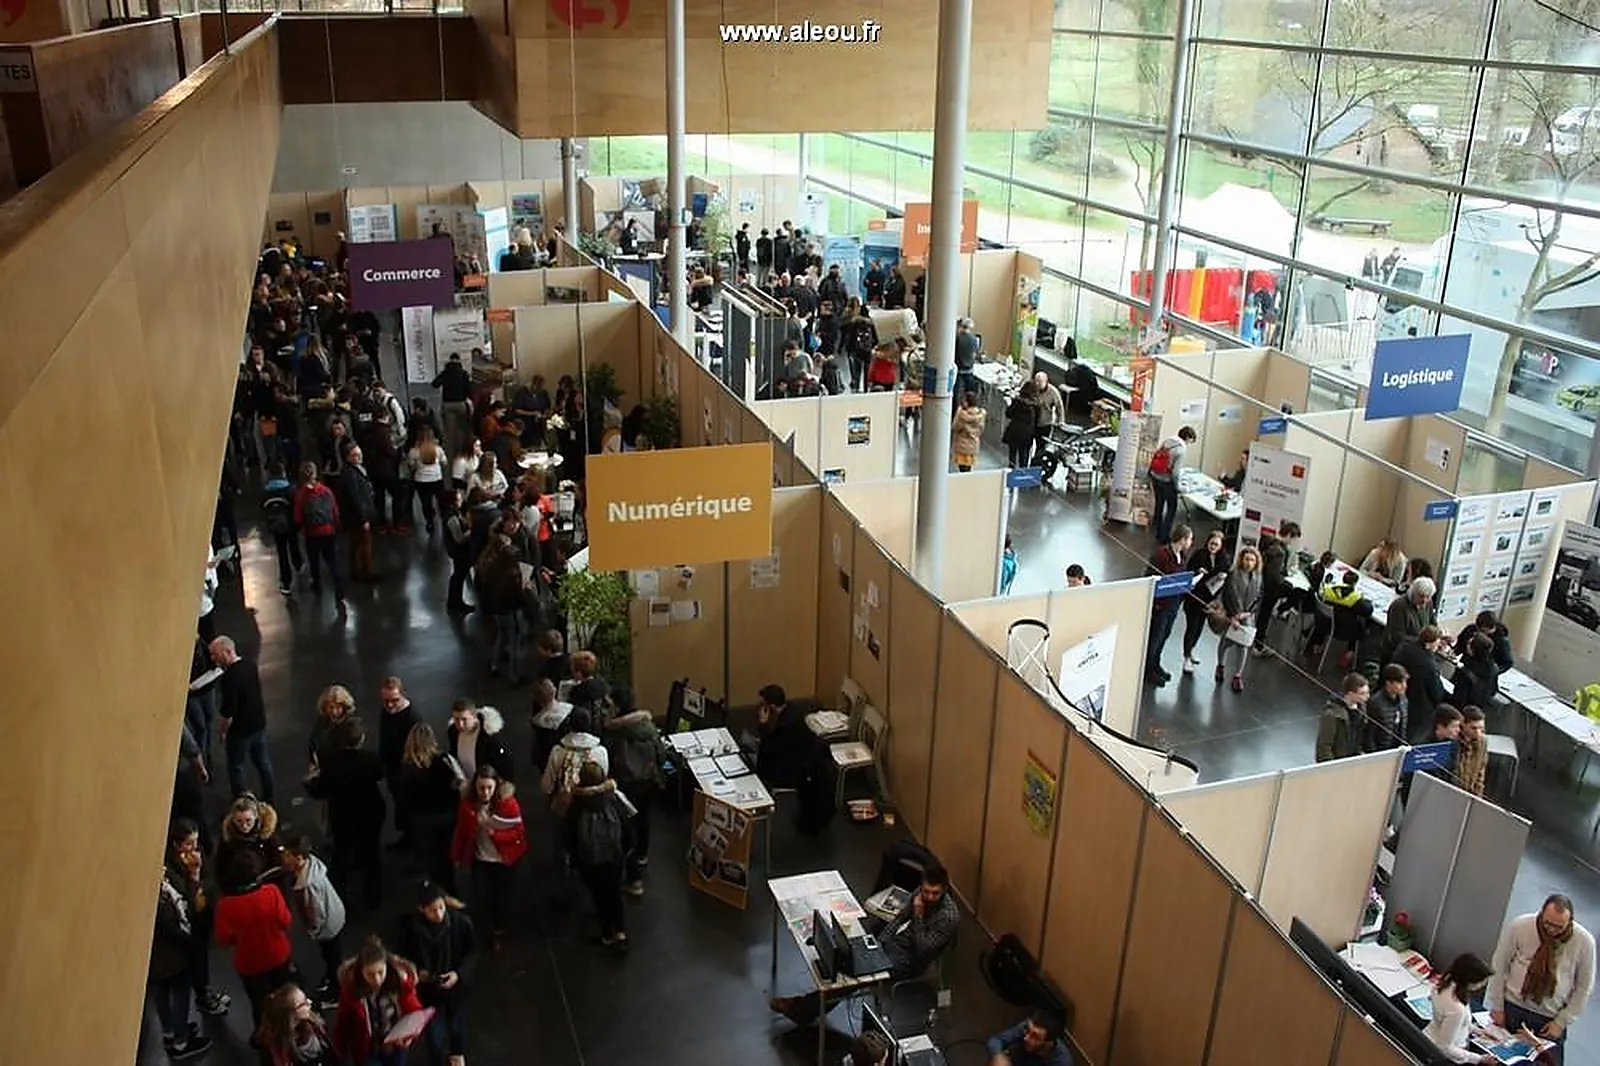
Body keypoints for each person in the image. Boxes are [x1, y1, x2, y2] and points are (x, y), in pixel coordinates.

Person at [770, 864, 958, 1027]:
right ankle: (806, 1006)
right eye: (926, 891)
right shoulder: (920, 895)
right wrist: (878, 943)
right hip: (896, 944)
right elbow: (899, 918)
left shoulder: (948, 917)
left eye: (935, 893)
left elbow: (923, 949)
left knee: (856, 974)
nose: (929, 897)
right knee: (853, 955)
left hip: (912, 961)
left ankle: (802, 1008)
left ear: (945, 889)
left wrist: (917, 916)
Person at [1488, 894, 1596, 1057]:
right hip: (1512, 1007)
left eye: (1559, 927)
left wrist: (1561, 1022)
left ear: (1570, 921)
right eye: (1547, 923)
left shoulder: (1584, 942)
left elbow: (1584, 987)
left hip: (1549, 1018)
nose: (1551, 930)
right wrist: (1497, 1006)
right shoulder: (1520, 926)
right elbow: (1499, 965)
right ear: (1541, 913)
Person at [150, 825, 218, 1060]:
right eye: (189, 843)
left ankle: (170, 1031)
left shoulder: (161, 875)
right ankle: (180, 1041)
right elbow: (185, 908)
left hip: (156, 959)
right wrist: (194, 875)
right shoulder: (162, 889)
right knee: (179, 994)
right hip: (172, 956)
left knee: (160, 993)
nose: (194, 848)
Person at [214, 849, 297, 1029]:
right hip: (278, 955)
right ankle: (291, 1029)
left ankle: (265, 1036)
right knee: (285, 996)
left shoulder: (225, 906)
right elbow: (286, 921)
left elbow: (224, 939)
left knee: (259, 1003)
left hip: (250, 964)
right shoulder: (272, 892)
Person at [396, 881, 476, 1065]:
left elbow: (471, 952)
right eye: (432, 910)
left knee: (456, 1023)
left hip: (454, 987)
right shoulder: (410, 930)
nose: (439, 914)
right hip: (428, 991)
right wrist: (416, 972)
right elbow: (403, 958)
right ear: (421, 909)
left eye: (441, 907)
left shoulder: (460, 923)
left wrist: (458, 974)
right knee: (434, 1033)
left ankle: (457, 1053)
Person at [561, 760, 637, 952]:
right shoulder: (613, 798)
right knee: (615, 894)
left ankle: (606, 935)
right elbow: (628, 827)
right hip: (614, 856)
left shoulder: (576, 805)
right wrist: (625, 850)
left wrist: (574, 859)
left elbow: (568, 835)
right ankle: (621, 932)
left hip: (589, 861)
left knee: (599, 896)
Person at [450, 765, 528, 945]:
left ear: (496, 787)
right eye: (481, 788)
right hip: (481, 859)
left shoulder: (508, 804)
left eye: (489, 788)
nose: (485, 792)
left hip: (504, 860)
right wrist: (456, 856)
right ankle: (488, 927)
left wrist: (494, 833)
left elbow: (518, 833)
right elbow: (461, 831)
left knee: (501, 896)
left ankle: (499, 930)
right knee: (481, 895)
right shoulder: (468, 805)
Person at [331, 937, 427, 1066]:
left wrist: (409, 1036)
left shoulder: (399, 984)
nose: (377, 979)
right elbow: (343, 1024)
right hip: (368, 1049)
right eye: (370, 974)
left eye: (380, 972)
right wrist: (338, 1053)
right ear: (361, 972)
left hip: (396, 1045)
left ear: (387, 967)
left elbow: (413, 1010)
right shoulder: (351, 992)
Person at [394, 722, 465, 894]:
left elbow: (403, 798)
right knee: (448, 857)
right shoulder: (442, 761)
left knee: (432, 861)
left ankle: (439, 893)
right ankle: (452, 890)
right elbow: (456, 786)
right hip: (446, 816)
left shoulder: (407, 768)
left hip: (422, 820)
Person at [753, 683, 833, 835]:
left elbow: (770, 750)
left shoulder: (786, 725)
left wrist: (763, 725)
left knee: (761, 768)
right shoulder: (792, 711)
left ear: (771, 706)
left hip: (796, 771)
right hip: (805, 762)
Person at [281, 837, 348, 1006]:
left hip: (328, 927)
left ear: (299, 858)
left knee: (333, 957)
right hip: (335, 915)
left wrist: (314, 932)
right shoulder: (313, 865)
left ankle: (337, 993)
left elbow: (316, 913)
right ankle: (332, 978)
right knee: (331, 955)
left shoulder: (308, 886)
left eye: (288, 855)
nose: (284, 858)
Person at [211, 635, 277, 804]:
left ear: (227, 651)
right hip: (258, 724)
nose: (213, 658)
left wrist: (222, 732)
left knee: (236, 766)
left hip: (240, 731)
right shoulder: (249, 665)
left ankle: (241, 802)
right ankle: (269, 797)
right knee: (263, 762)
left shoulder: (229, 678)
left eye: (215, 654)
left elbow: (229, 712)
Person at [1424, 953, 1498, 1064]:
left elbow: (1454, 1023)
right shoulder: (1457, 1009)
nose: (1483, 984)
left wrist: (1478, 1030)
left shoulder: (1442, 985)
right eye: (1482, 981)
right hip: (1450, 1052)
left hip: (1433, 1033)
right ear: (1470, 980)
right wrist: (1479, 1059)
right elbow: (1445, 1047)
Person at [1145, 524, 1193, 688]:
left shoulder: (1182, 555)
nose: (1191, 542)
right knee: (1155, 637)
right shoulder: (1161, 554)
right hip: (1161, 604)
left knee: (1165, 635)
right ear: (1183, 539)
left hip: (1173, 604)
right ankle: (1148, 669)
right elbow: (1150, 577)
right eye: (1190, 539)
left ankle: (1156, 664)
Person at [293, 461, 346, 607]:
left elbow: (297, 518)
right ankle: (339, 588)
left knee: (314, 561)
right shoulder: (326, 491)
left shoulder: (301, 495)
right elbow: (335, 511)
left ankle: (317, 585)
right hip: (329, 531)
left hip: (312, 534)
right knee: (332, 561)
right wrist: (336, 526)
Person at [1180, 528, 1230, 674]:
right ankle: (1186, 656)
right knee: (1192, 627)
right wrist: (1198, 572)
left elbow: (1226, 577)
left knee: (1199, 628)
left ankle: (1191, 651)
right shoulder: (1198, 555)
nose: (1213, 547)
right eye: (1211, 543)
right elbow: (1188, 572)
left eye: (1216, 544)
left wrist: (1222, 577)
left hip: (1209, 602)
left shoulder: (1224, 559)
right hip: (1195, 598)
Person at [1215, 545, 1262, 691]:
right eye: (1247, 559)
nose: (1249, 563)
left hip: (1247, 616)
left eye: (1252, 560)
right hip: (1233, 615)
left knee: (1244, 646)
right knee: (1226, 641)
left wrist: (1248, 613)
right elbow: (1228, 595)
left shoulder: (1258, 577)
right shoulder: (1233, 575)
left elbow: (1259, 597)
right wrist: (1234, 615)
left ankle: (1237, 675)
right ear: (1242, 559)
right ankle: (1220, 665)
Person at [1392, 625, 1450, 744]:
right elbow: (1435, 692)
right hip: (1419, 704)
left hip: (1399, 694)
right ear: (1429, 644)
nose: (1438, 645)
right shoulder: (1428, 665)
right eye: (1437, 642)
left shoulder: (1405, 646)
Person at [1254, 522, 1303, 655]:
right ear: (1288, 535)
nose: (1293, 543)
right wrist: (1287, 583)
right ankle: (1258, 645)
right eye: (1293, 539)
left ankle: (1258, 643)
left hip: (1263, 585)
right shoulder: (1279, 552)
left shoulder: (1269, 543)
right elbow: (1273, 575)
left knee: (1263, 615)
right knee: (1265, 615)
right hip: (1271, 589)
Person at [257, 983, 335, 1065]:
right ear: (290, 1014)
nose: (309, 1002)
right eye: (303, 1003)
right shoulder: (276, 1050)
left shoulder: (314, 1022)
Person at [1147, 425, 1197, 544]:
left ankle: (1157, 531)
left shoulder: (1168, 441)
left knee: (1159, 504)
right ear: (1188, 437)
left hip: (1155, 476)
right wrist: (1178, 487)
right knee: (1171, 508)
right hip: (1166, 481)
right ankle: (1164, 537)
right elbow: (1175, 473)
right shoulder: (1181, 449)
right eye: (1191, 440)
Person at [262, 461, 304, 597]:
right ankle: (298, 564)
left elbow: (263, 509)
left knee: (282, 553)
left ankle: (286, 582)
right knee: (293, 545)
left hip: (276, 527)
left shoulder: (266, 491)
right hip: (291, 525)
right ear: (283, 473)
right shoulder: (290, 489)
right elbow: (297, 506)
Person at [447, 699, 515, 783]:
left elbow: (504, 762)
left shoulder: (489, 737)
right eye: (456, 719)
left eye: (464, 719)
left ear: (474, 717)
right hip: (467, 783)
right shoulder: (453, 732)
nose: (460, 724)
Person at [985, 1010, 1075, 1066]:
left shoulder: (1062, 1063)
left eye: (1035, 1036)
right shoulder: (1028, 1028)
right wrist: (998, 1056)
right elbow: (995, 1040)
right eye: (1028, 1030)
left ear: (1049, 1042)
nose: (1026, 1038)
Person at [1316, 673, 1370, 762]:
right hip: (1338, 763)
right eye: (1362, 693)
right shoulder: (1332, 714)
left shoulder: (1361, 710)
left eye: (1368, 692)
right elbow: (1324, 746)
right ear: (1350, 694)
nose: (1367, 697)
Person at [1384, 576, 1438, 660]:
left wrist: (1438, 636)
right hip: (1398, 654)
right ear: (1413, 592)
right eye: (1421, 596)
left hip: (1418, 652)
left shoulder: (1428, 604)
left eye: (1428, 597)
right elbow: (1396, 637)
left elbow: (1432, 623)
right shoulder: (1399, 606)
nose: (1424, 600)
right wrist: (1422, 642)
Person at [1364, 663, 1410, 753]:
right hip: (1381, 752)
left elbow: (1403, 728)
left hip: (1397, 750)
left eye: (1405, 682)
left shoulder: (1403, 700)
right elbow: (1369, 735)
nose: (1404, 686)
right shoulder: (1376, 703)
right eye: (1400, 682)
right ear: (1389, 683)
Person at [1453, 633, 1501, 710]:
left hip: (1464, 708)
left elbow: (1458, 698)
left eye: (1469, 644)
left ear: (1474, 649)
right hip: (1481, 707)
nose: (1467, 645)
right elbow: (1493, 690)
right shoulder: (1493, 667)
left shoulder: (1465, 672)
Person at [1002, 380, 1040, 469]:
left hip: (1014, 430)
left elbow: (1008, 414)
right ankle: (1022, 475)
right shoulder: (1036, 405)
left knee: (1013, 453)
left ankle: (1011, 470)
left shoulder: (1017, 402)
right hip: (1027, 433)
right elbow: (1037, 420)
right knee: (1024, 455)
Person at [1030, 371, 1065, 466]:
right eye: (1036, 381)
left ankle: (1035, 466)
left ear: (1046, 382)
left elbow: (1059, 406)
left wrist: (1061, 420)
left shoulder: (1053, 392)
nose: (1037, 384)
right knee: (1028, 444)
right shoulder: (1031, 388)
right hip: (1032, 422)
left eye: (1040, 382)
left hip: (1045, 423)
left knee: (1041, 447)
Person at [1456, 705, 1490, 797]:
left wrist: (1477, 797)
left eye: (1481, 729)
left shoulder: (1482, 742)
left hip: (1470, 792)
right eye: (1474, 728)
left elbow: (1481, 772)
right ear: (1463, 724)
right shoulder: (1453, 741)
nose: (1478, 733)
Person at [952, 391, 986, 473]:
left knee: (962, 469)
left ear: (967, 402)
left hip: (962, 446)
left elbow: (955, 427)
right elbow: (981, 430)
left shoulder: (962, 415)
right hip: (973, 446)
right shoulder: (981, 415)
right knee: (968, 468)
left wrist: (958, 412)